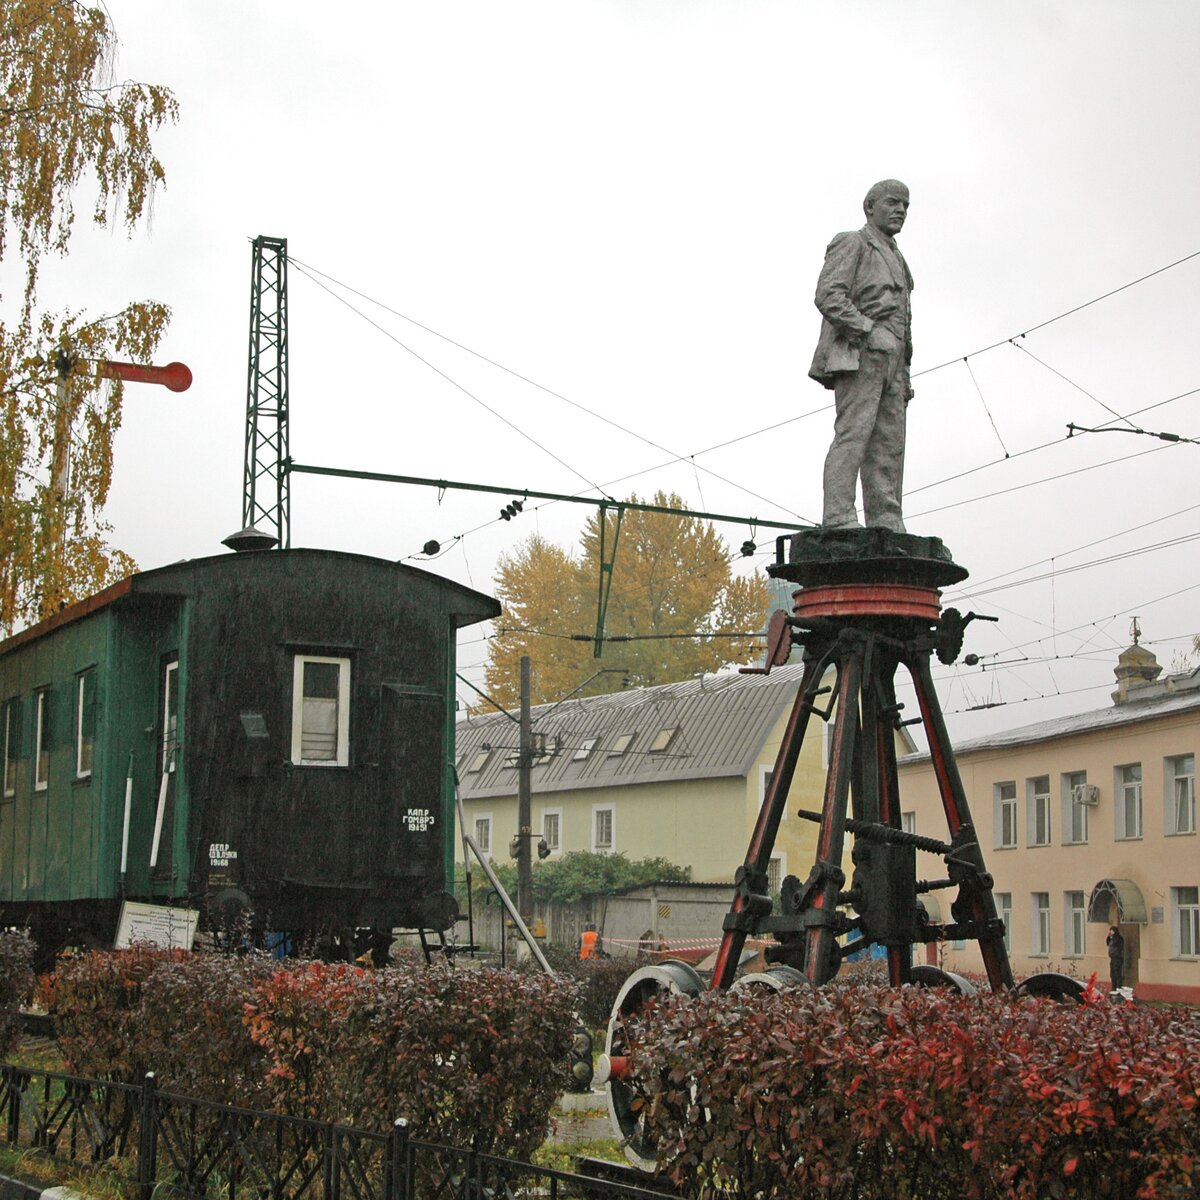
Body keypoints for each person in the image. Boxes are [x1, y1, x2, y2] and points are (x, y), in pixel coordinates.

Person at [809, 179, 914, 533]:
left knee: (889, 442)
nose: (900, 210)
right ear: (870, 206)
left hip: (894, 362)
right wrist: (868, 330)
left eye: (905, 205)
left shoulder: (898, 257)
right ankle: (838, 515)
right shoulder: (853, 242)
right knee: (854, 434)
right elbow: (828, 295)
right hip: (859, 354)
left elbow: (904, 317)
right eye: (893, 202)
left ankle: (885, 517)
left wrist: (905, 371)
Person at [1107, 925, 1125, 991]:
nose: (1110, 932)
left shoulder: (1119, 938)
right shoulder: (1111, 938)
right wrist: (1109, 937)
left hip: (1117, 958)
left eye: (1111, 931)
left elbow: (1117, 944)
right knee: (1112, 974)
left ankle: (1118, 989)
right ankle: (1113, 989)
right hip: (1112, 958)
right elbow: (1107, 943)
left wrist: (1113, 937)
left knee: (1117, 974)